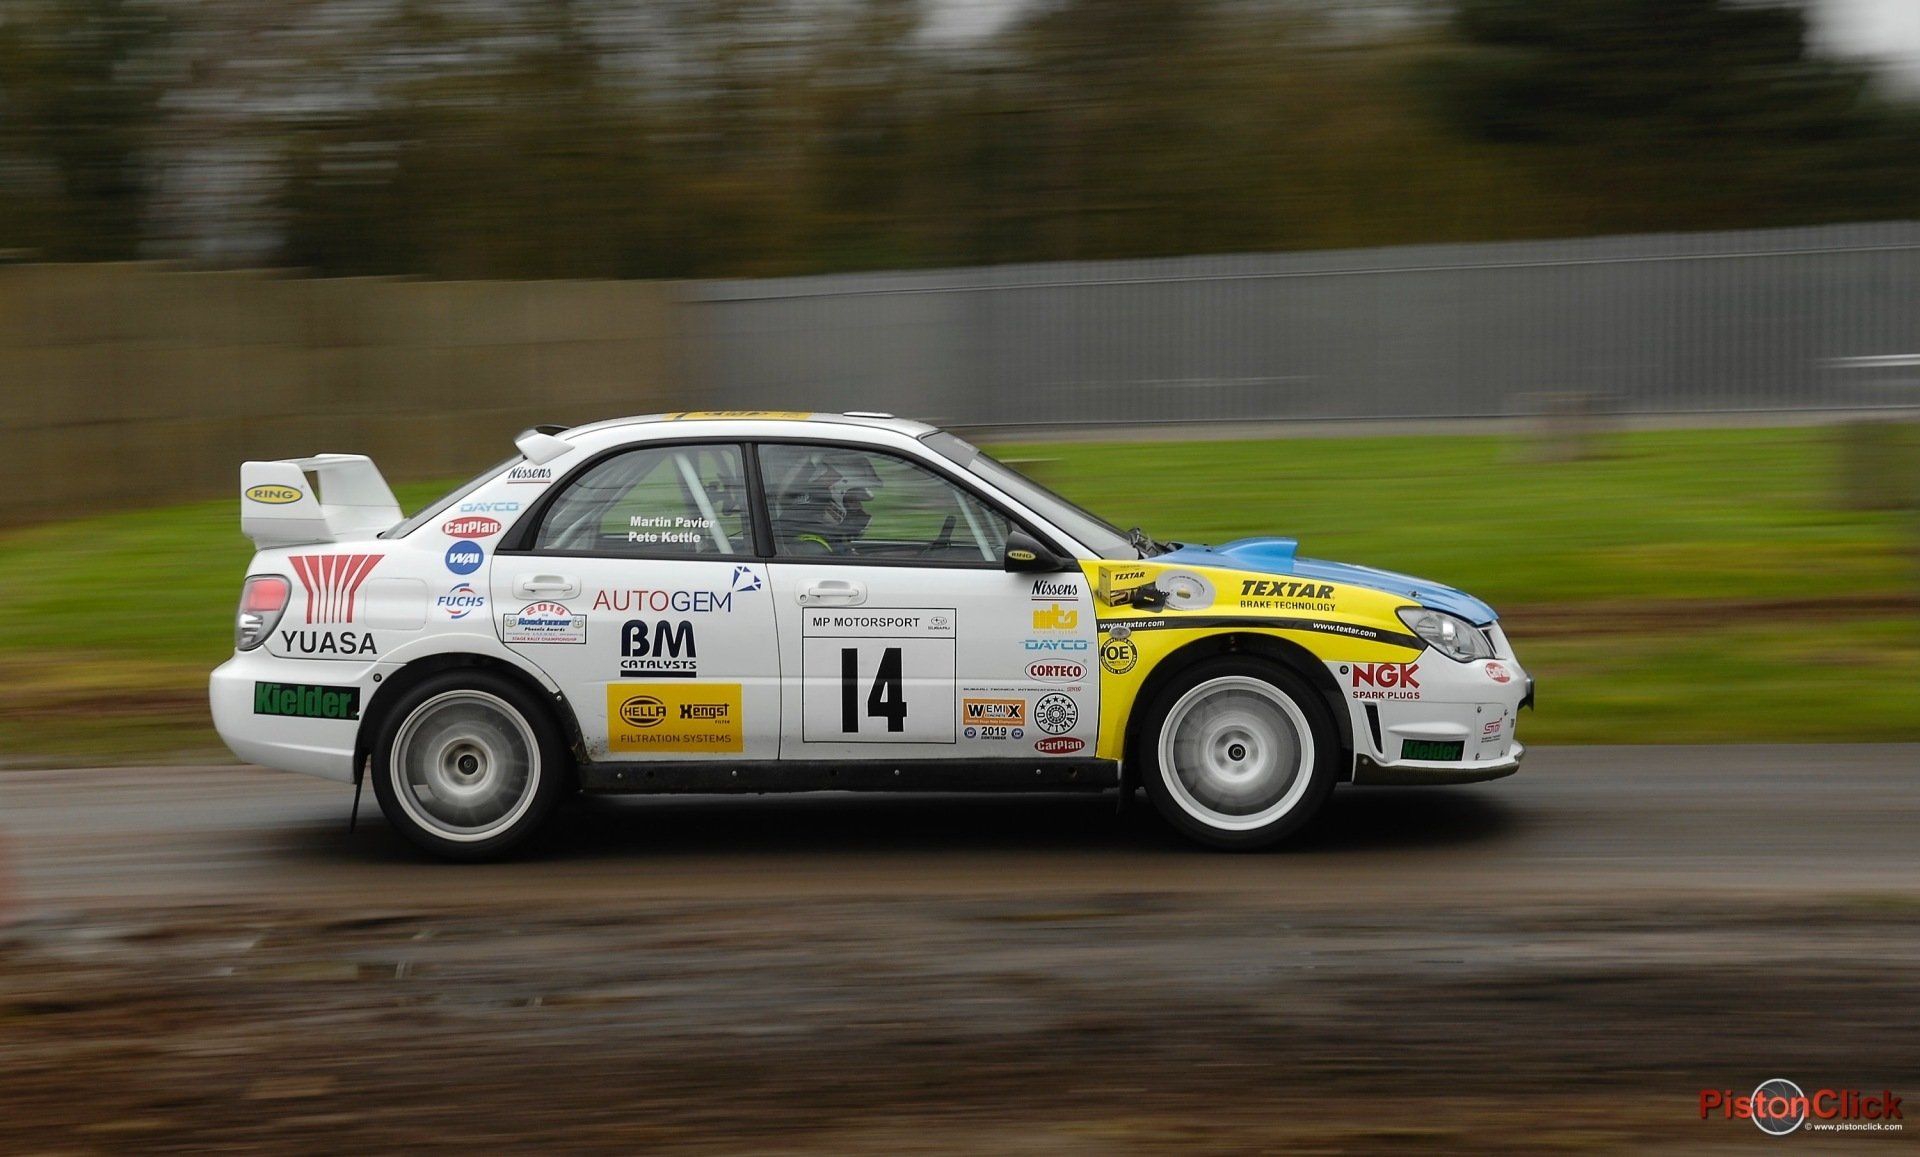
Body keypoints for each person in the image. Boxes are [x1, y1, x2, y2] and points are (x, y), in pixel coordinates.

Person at [770, 450, 880, 555]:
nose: (860, 508)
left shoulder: (823, 537)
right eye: (853, 501)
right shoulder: (812, 548)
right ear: (833, 495)